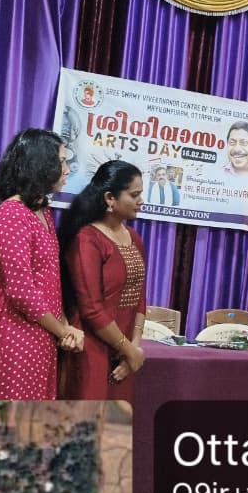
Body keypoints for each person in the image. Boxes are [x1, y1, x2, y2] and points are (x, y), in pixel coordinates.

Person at [0, 129, 84, 400]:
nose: (67, 169)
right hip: (13, 332)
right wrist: (62, 330)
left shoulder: (42, 212)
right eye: (62, 162)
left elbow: (50, 279)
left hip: (41, 332)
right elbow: (21, 292)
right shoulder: (11, 214)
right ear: (40, 165)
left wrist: (63, 326)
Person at [57, 160, 148, 400]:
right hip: (91, 350)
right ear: (110, 198)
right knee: (87, 419)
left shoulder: (134, 238)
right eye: (134, 195)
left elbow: (140, 298)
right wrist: (128, 349)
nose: (141, 201)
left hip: (125, 354)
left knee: (116, 420)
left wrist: (134, 348)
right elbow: (92, 309)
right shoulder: (87, 239)